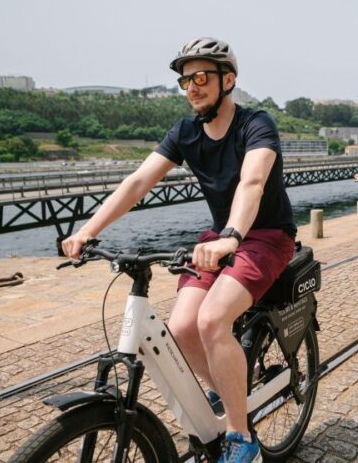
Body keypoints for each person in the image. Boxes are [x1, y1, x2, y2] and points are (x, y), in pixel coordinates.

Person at [62, 37, 296, 462]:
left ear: (229, 81)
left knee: (211, 320)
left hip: (264, 236)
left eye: (202, 77)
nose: (193, 87)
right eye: (185, 80)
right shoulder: (186, 132)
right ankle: (229, 391)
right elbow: (137, 182)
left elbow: (253, 182)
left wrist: (231, 235)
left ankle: (241, 438)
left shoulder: (255, 124)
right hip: (219, 237)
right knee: (183, 327)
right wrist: (87, 230)